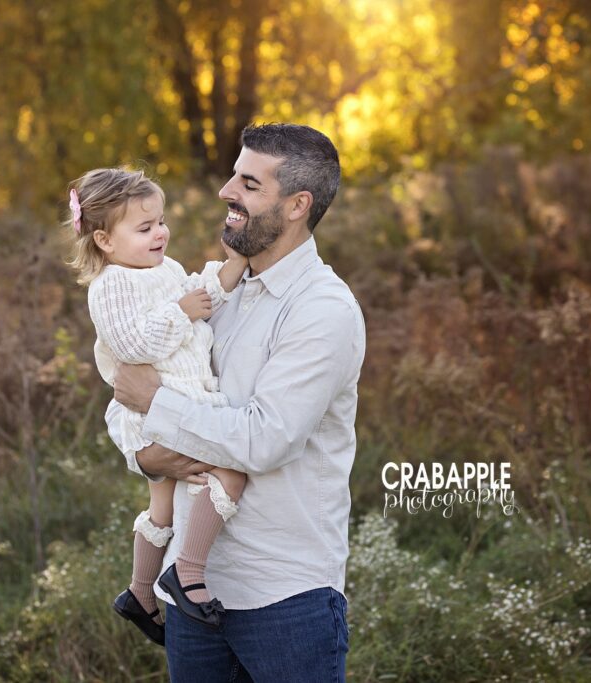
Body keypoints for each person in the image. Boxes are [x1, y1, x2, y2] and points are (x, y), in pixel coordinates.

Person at [107, 123, 366, 682]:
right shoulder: (211, 293)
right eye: (233, 175)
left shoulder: (322, 310)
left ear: (298, 205)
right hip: (189, 593)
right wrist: (145, 457)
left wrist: (156, 405)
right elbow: (126, 395)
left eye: (249, 183)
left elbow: (263, 439)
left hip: (284, 596)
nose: (226, 191)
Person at [66, 168, 249, 647]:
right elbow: (131, 345)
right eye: (144, 228)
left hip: (178, 401)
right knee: (231, 469)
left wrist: (232, 265)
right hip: (156, 410)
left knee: (163, 506)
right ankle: (186, 574)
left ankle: (140, 592)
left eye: (161, 222)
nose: (160, 233)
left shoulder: (165, 270)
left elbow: (202, 295)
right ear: (105, 240)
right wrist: (181, 311)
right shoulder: (109, 286)